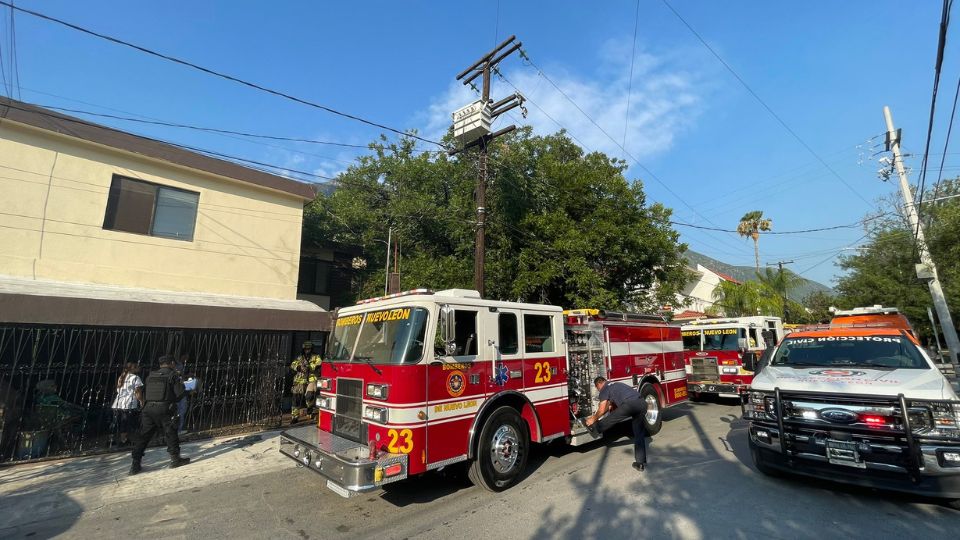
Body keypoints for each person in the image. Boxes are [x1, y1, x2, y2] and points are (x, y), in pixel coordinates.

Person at [130, 355, 190, 475]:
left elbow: (145, 392)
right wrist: (185, 386)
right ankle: (175, 459)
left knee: (144, 436)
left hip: (148, 409)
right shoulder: (173, 375)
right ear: (172, 363)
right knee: (170, 432)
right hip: (164, 409)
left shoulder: (151, 376)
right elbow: (179, 394)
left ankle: (135, 464)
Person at [584, 377, 648, 472]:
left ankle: (596, 429)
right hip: (642, 403)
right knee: (638, 434)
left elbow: (601, 409)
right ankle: (640, 463)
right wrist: (597, 415)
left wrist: (593, 419)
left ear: (599, 384)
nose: (598, 390)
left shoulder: (604, 388)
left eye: (597, 388)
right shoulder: (615, 384)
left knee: (612, 418)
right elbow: (607, 407)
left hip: (630, 405)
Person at [110, 362, 143, 447]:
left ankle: (111, 439)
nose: (139, 368)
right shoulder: (135, 378)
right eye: (137, 367)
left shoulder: (122, 376)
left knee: (116, 422)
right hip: (128, 403)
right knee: (125, 422)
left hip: (117, 403)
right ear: (132, 369)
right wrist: (141, 401)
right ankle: (123, 440)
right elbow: (137, 392)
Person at [290, 341, 320, 423]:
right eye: (306, 349)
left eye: (309, 349)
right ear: (303, 349)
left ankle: (310, 408)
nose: (307, 350)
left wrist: (310, 367)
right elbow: (293, 365)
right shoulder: (299, 357)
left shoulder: (316, 356)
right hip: (299, 380)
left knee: (309, 396)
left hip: (311, 379)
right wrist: (299, 367)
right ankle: (294, 417)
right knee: (296, 399)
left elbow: (319, 363)